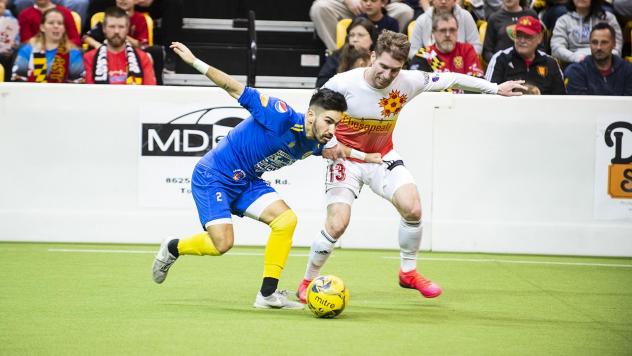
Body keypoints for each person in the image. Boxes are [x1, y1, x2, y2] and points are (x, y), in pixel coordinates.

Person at [295, 30, 527, 303]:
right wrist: (328, 143)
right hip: (347, 158)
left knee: (413, 207)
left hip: (382, 156)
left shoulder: (408, 81)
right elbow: (313, 115)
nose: (387, 75)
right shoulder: (341, 83)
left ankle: (408, 273)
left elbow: (451, 77)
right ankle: (307, 281)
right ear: (372, 57)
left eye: (395, 69)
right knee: (337, 225)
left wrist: (495, 88)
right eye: (382, 66)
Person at [151, 42, 383, 309]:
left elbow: (338, 150)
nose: (332, 129)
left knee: (286, 220)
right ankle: (173, 247)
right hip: (214, 174)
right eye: (328, 121)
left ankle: (267, 295)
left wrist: (368, 158)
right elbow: (232, 87)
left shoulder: (318, 141)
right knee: (222, 244)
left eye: (337, 124)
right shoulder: (277, 114)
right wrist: (194, 62)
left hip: (248, 181)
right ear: (311, 115)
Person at [485, 16, 566, 94]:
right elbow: (488, 92)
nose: (522, 40)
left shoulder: (551, 63)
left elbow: (562, 99)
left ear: (540, 38)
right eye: (519, 35)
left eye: (528, 37)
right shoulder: (500, 58)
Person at [83, 7, 156, 85]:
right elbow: (91, 92)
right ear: (104, 28)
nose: (116, 31)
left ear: (127, 29)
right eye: (112, 27)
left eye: (121, 27)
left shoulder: (143, 58)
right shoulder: (90, 57)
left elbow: (149, 91)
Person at [409, 12, 484, 86]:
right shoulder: (424, 55)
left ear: (457, 31)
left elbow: (478, 83)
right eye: (443, 30)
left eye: (452, 30)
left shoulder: (466, 50)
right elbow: (417, 86)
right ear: (433, 33)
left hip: (463, 97)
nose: (448, 35)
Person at [310, 0, 413, 53]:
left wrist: (377, 2)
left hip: (380, 7)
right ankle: (339, 55)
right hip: (347, 7)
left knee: (405, 11)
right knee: (319, 8)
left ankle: (389, 54)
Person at [11, 7, 83, 82]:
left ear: (64, 28)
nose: (56, 26)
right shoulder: (28, 49)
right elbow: (17, 78)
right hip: (32, 92)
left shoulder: (73, 52)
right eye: (51, 23)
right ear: (42, 27)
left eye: (60, 23)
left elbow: (78, 81)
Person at [565, 22, 632, 95]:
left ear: (614, 44)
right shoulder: (575, 71)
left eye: (604, 42)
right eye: (594, 42)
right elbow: (579, 104)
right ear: (589, 44)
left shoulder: (628, 71)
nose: (598, 47)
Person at [551, 0, 623, 64]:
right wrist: (575, 57)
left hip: (605, 62)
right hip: (575, 64)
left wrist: (601, 58)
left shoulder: (608, 18)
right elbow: (556, 48)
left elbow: (617, 47)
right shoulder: (563, 20)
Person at [316, 17, 377, 87]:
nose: (355, 39)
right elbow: (321, 83)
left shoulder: (379, 58)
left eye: (360, 35)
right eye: (352, 35)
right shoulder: (336, 57)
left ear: (372, 38)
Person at [408, 0, 482, 58]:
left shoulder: (465, 16)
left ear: (454, 0)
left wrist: (459, 58)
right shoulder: (422, 19)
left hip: (460, 65)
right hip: (430, 68)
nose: (443, 1)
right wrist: (432, 59)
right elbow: (412, 51)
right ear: (432, 0)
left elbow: (476, 47)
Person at [0, 0, 20, 82]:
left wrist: (13, 45)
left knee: (8, 55)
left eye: (1, 2)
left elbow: (17, 41)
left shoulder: (11, 20)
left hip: (5, 56)